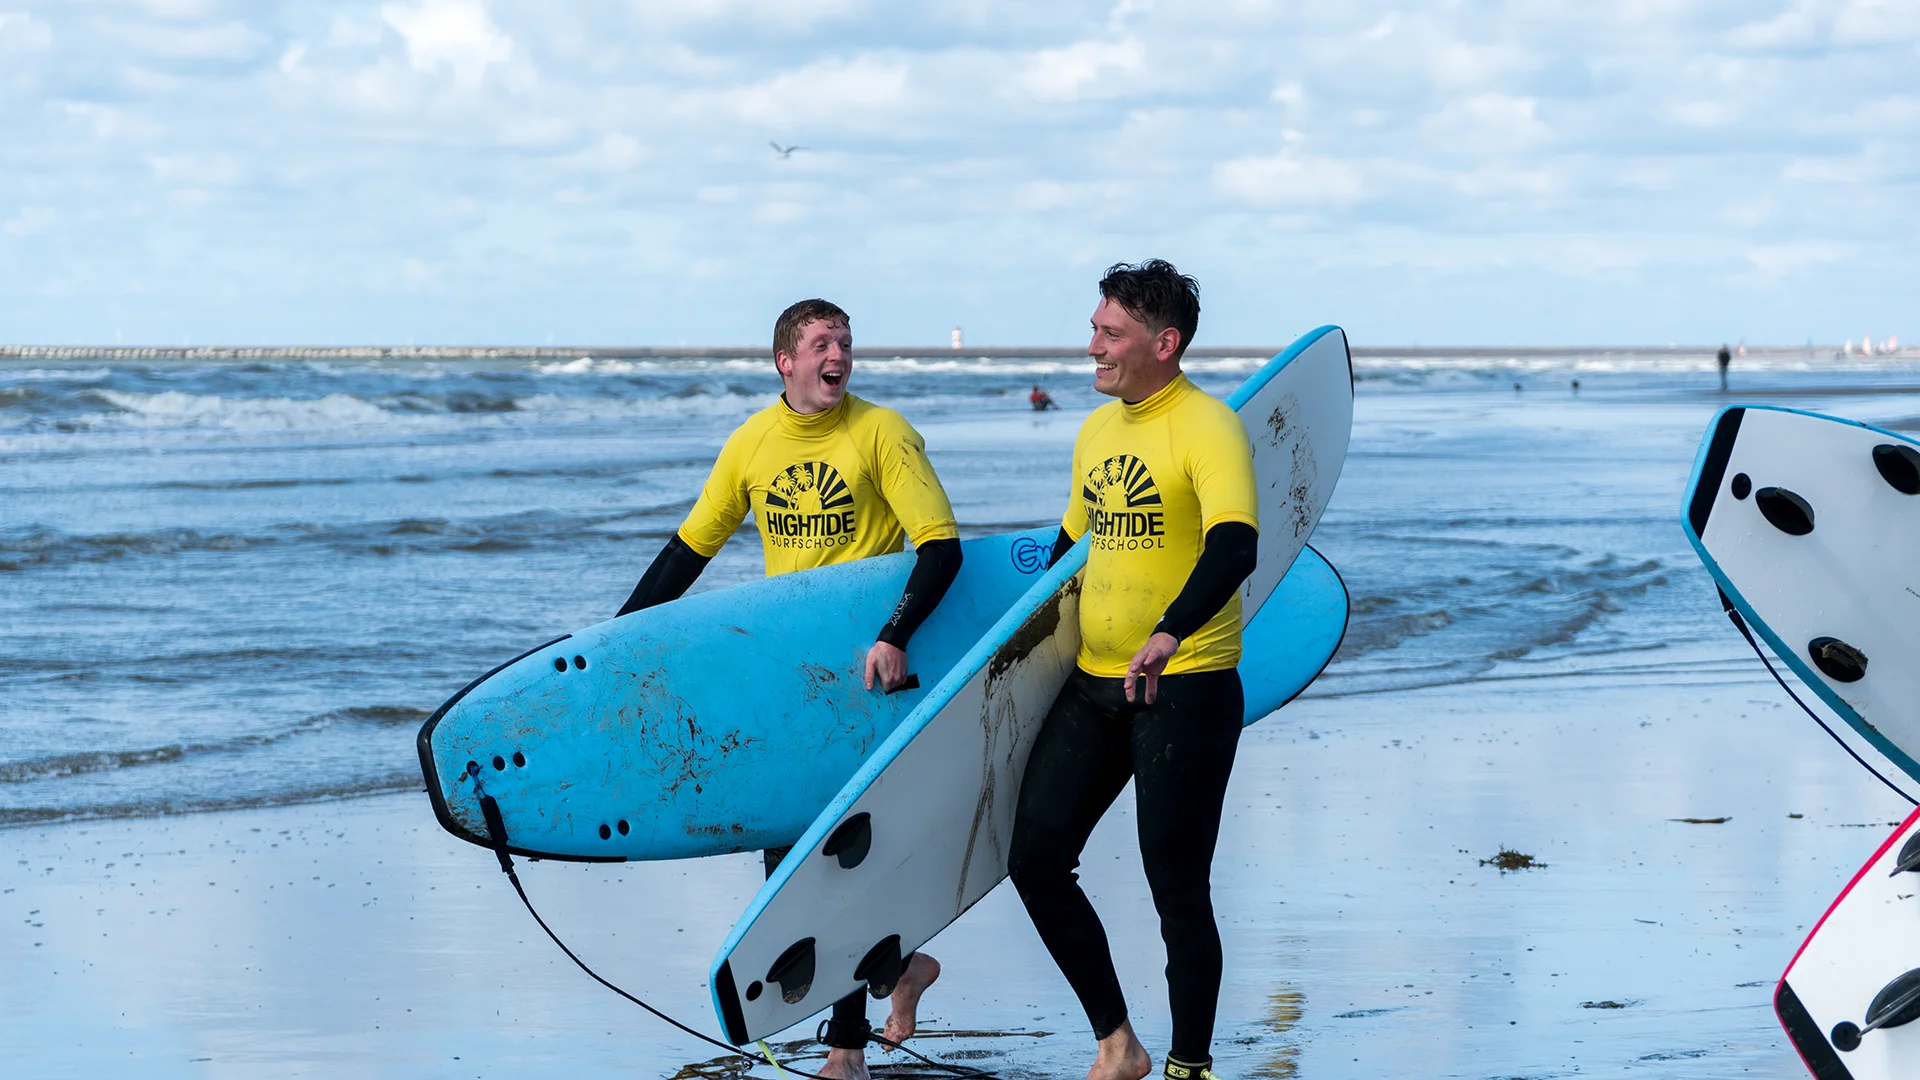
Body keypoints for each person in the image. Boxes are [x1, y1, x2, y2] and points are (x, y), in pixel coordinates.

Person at [618, 299, 953, 1080]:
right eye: (820, 343)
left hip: (871, 683)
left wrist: (895, 635)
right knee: (786, 863)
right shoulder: (752, 444)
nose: (838, 353)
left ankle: (846, 1051)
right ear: (786, 362)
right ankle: (898, 970)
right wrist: (620, 644)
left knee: (837, 862)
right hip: (789, 683)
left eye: (845, 341)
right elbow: (687, 553)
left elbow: (941, 551)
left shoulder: (882, 433)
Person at [1008, 261, 1259, 1080]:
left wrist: (1171, 632)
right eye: (1095, 329)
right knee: (1036, 858)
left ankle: (1191, 1064)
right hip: (1094, 680)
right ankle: (1118, 1042)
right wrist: (1002, 651)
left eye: (1110, 334)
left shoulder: (1208, 427)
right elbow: (1069, 550)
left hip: (1184, 688)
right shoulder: (1097, 431)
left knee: (1176, 887)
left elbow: (1234, 542)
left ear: (1165, 342)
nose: (1093, 347)